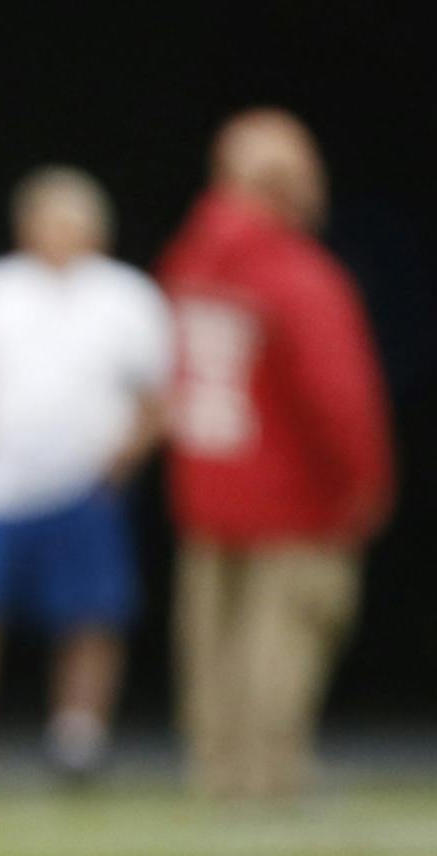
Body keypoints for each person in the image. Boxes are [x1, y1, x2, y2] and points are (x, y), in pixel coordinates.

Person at [157, 110, 392, 800]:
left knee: (212, 646)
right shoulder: (298, 275)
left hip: (208, 483)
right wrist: (366, 482)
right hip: (294, 493)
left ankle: (216, 770)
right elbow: (337, 396)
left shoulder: (190, 260)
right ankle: (267, 776)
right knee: (281, 642)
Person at [0, 167, 172, 780]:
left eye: (72, 221)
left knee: (90, 616)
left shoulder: (127, 296)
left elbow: (156, 399)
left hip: (83, 486)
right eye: (47, 219)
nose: (59, 233)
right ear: (24, 227)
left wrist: (120, 460)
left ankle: (78, 740)